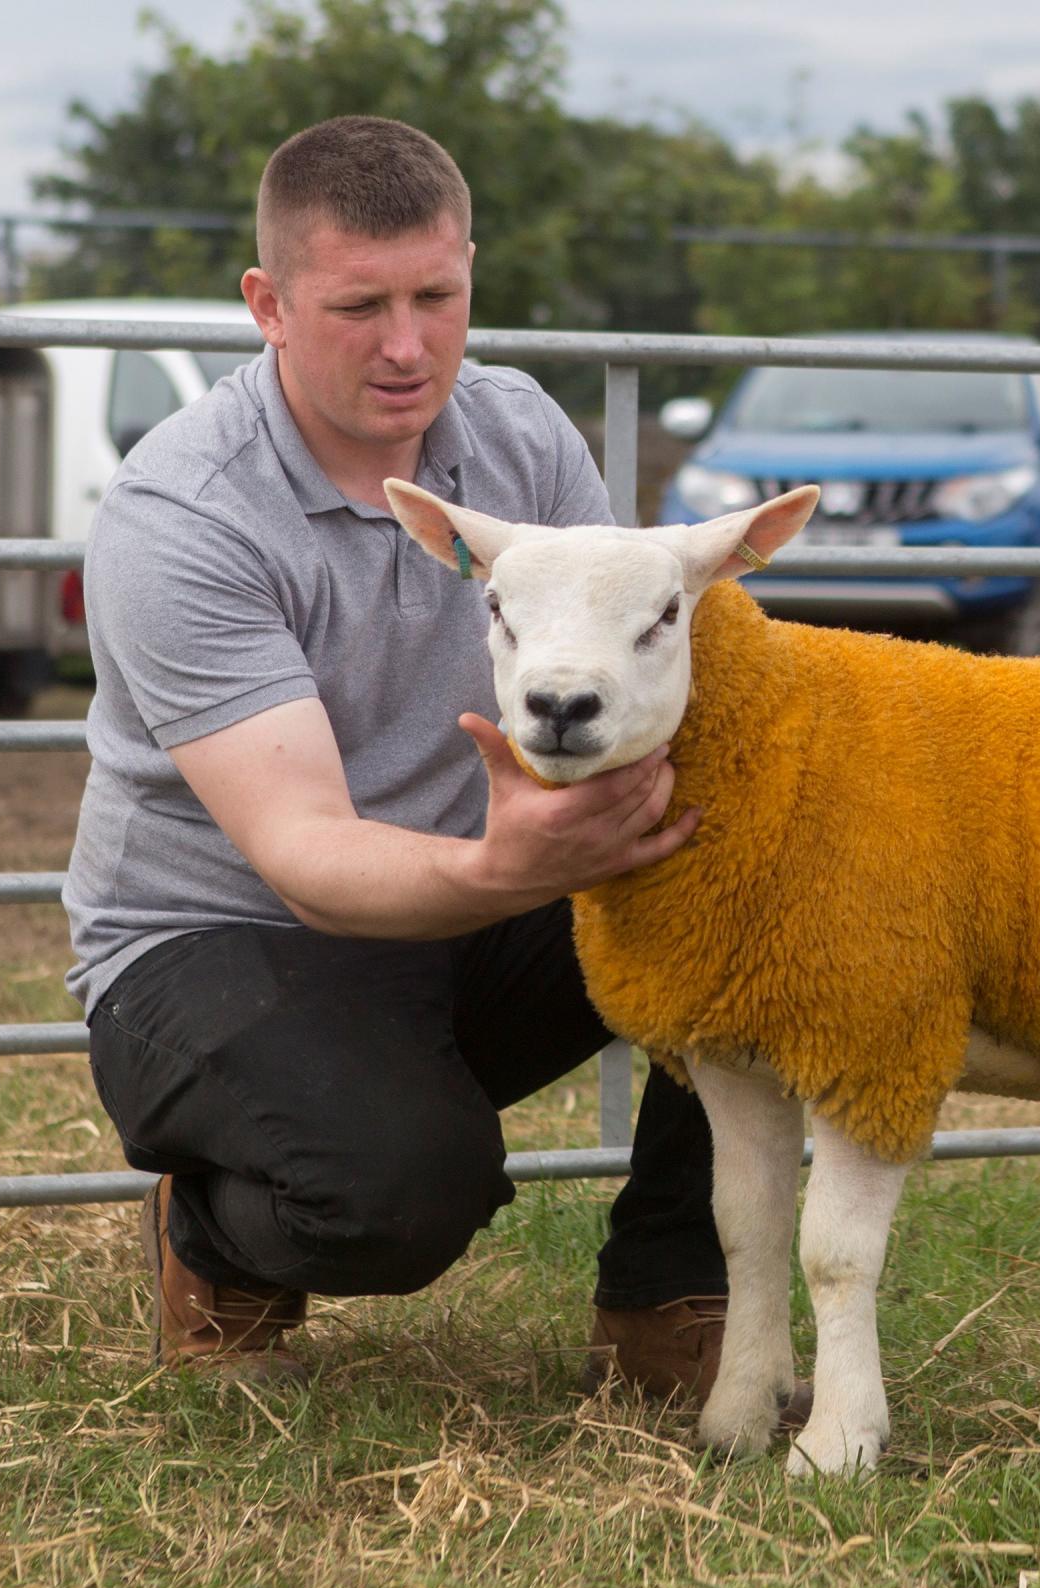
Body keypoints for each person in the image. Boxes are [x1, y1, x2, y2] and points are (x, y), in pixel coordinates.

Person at [62, 115, 762, 1407]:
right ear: (267, 305)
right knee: (406, 1188)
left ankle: (670, 1301)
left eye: (438, 296)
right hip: (220, 942)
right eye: (360, 305)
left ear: (471, 274)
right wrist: (511, 862)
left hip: (463, 896)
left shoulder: (520, 436)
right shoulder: (185, 517)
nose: (409, 344)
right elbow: (309, 858)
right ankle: (214, 1237)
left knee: (745, 900)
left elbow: (621, 672)